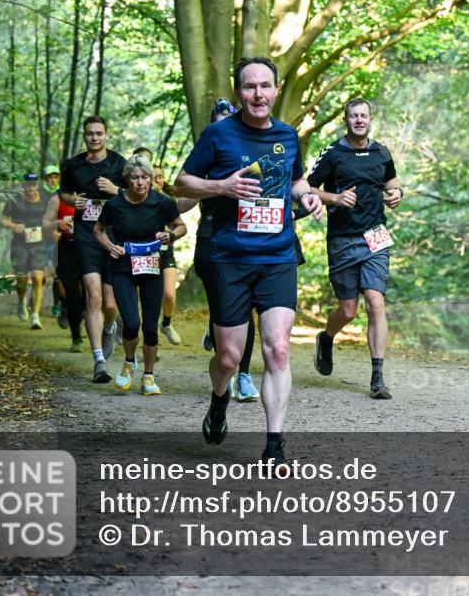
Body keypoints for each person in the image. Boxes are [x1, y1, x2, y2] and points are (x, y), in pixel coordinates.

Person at [175, 58, 323, 468]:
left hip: (277, 256)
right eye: (250, 87)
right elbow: (182, 182)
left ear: (276, 89)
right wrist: (221, 186)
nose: (259, 94)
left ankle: (275, 446)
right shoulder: (218, 134)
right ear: (239, 91)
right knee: (228, 357)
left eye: (265, 86)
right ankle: (219, 397)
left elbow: (295, 180)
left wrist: (307, 195)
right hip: (230, 259)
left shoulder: (288, 135)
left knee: (278, 349)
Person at [308, 97, 403, 399]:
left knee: (375, 302)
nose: (359, 120)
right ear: (345, 120)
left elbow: (392, 182)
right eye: (354, 116)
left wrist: (397, 193)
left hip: (375, 235)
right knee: (348, 310)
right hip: (342, 238)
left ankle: (377, 378)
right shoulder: (333, 153)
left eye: (364, 115)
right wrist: (335, 199)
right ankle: (326, 337)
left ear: (371, 119)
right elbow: (307, 188)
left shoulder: (381, 152)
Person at [95, 154, 186, 395]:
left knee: (150, 328)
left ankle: (148, 376)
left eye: (144, 177)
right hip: (123, 268)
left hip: (152, 268)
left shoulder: (163, 202)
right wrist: (110, 246)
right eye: (135, 178)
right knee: (132, 323)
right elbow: (98, 230)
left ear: (150, 178)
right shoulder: (115, 205)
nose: (140, 182)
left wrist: (170, 236)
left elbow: (181, 226)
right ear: (127, 179)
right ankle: (128, 363)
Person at [191, 98, 261, 403]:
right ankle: (220, 343)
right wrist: (213, 185)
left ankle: (243, 375)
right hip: (210, 238)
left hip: (246, 239)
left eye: (228, 122)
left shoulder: (249, 156)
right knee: (223, 304)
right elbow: (180, 198)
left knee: (247, 308)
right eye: (218, 123)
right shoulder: (203, 156)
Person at [60, 116, 126, 383]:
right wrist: (72, 200)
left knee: (110, 303)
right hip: (86, 235)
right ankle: (99, 359)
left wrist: (115, 189)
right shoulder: (73, 165)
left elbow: (136, 194)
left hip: (113, 235)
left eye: (99, 133)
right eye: (90, 134)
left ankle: (109, 326)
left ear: (106, 135)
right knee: (94, 297)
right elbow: (63, 193)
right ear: (84, 136)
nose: (95, 138)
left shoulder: (119, 163)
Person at [0, 172, 51, 330]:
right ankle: (22, 302)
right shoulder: (14, 200)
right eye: (28, 184)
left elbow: (51, 218)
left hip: (38, 244)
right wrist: (13, 226)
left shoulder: (45, 200)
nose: (31, 187)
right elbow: (2, 220)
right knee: (22, 279)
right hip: (19, 244)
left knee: (38, 278)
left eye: (34, 184)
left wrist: (52, 230)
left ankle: (35, 316)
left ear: (37, 185)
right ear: (24, 185)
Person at [43, 184, 86, 352]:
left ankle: (77, 314)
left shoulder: (91, 195)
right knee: (72, 293)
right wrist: (56, 224)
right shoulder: (57, 199)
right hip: (66, 248)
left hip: (88, 248)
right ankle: (76, 337)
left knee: (88, 294)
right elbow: (45, 224)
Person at [152, 165, 183, 346]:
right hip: (145, 253)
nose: (158, 181)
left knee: (169, 295)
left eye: (160, 177)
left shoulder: (169, 200)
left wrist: (170, 234)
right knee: (150, 299)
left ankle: (166, 324)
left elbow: (178, 226)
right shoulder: (138, 200)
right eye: (154, 177)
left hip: (166, 251)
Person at [42, 164, 64, 320]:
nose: (53, 179)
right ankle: (33, 299)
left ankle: (57, 304)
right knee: (40, 273)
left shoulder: (63, 193)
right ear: (45, 178)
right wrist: (50, 231)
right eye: (50, 177)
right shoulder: (39, 192)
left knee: (58, 273)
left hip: (59, 238)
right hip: (42, 238)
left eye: (56, 177)